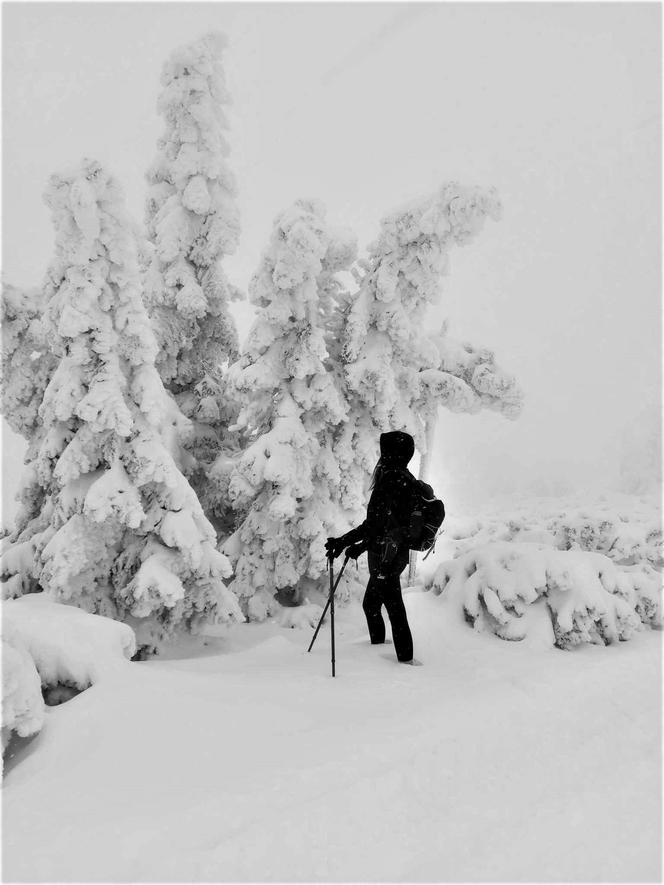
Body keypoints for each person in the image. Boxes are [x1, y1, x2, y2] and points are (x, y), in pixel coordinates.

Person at [326, 430, 422, 665]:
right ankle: (380, 651)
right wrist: (355, 546)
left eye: (384, 449)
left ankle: (405, 662)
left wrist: (345, 543)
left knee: (394, 607)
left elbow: (374, 525)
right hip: (393, 554)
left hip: (386, 556)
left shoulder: (391, 480)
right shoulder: (404, 478)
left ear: (391, 453)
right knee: (372, 604)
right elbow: (383, 524)